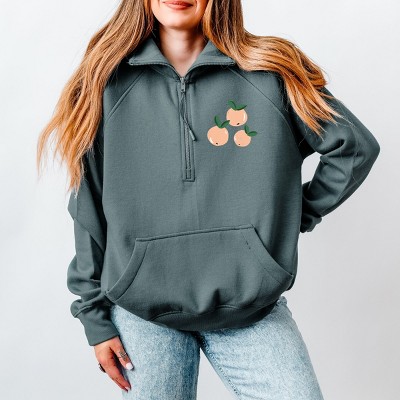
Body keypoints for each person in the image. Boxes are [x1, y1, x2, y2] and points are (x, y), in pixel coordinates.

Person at [36, 1, 381, 399]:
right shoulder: (104, 81)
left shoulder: (272, 70)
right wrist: (94, 319)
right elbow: (88, 208)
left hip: (250, 306)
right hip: (142, 310)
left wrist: (290, 215)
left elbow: (354, 148)